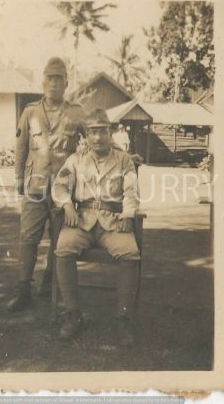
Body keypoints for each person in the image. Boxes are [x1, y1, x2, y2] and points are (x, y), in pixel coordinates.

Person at [52, 108, 141, 346]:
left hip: (112, 223)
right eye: (93, 132)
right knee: (63, 248)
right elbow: (59, 186)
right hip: (81, 221)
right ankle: (73, 315)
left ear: (110, 133)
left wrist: (128, 214)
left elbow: (132, 190)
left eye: (102, 131)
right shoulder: (76, 160)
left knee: (130, 252)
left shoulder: (124, 160)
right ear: (87, 135)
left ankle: (123, 319)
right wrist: (67, 205)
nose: (98, 137)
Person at [6, 57, 86, 311]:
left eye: (59, 78)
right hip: (35, 187)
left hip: (64, 190)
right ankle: (23, 291)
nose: (53, 83)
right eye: (49, 77)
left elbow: (97, 136)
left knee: (59, 240)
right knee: (28, 238)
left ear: (66, 82)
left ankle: (50, 284)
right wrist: (19, 177)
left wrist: (124, 154)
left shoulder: (76, 112)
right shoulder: (30, 112)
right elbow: (20, 148)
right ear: (42, 81)